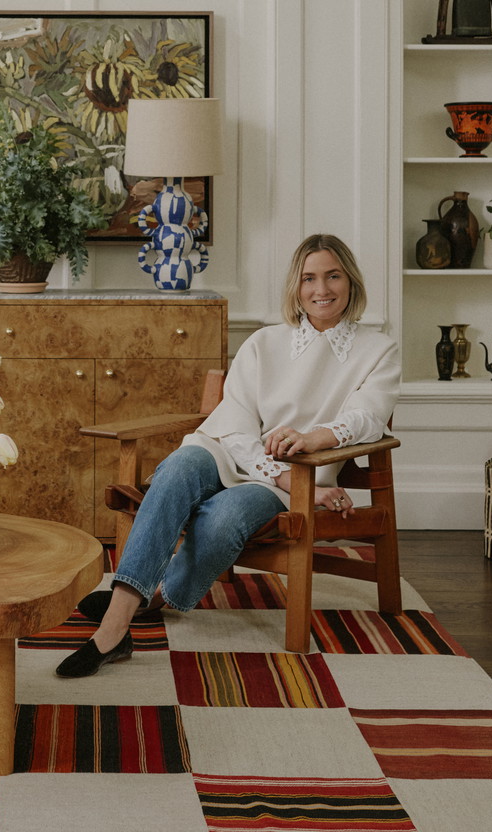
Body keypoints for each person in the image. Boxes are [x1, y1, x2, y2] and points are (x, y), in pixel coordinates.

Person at [56, 233, 401, 678]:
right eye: (309, 278)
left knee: (220, 518)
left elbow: (369, 417)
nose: (322, 289)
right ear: (295, 288)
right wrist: (269, 469)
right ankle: (115, 626)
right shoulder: (264, 343)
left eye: (333, 276)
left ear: (350, 281)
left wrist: (314, 439)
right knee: (179, 467)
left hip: (295, 477)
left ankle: (153, 599)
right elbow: (234, 421)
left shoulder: (378, 350)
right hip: (229, 453)